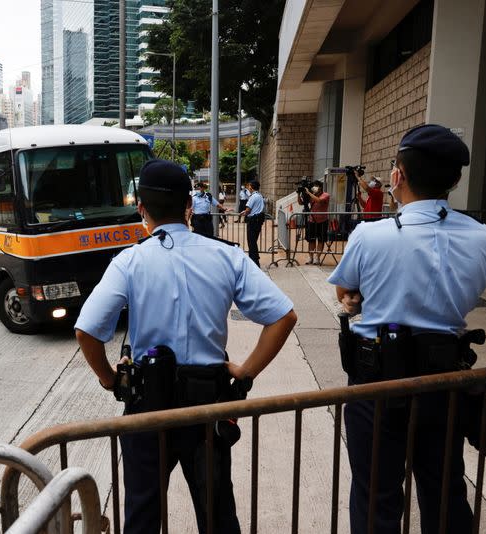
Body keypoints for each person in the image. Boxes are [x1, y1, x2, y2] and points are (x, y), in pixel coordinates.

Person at [75, 159, 297, 534]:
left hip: (149, 406)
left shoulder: (130, 260)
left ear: (141, 209)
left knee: (142, 517)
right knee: (218, 515)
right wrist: (245, 373)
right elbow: (283, 317)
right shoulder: (227, 256)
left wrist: (111, 380)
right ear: (189, 207)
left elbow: (87, 331)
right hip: (208, 405)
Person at [328, 124, 486, 534]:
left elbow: (346, 292)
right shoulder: (485, 239)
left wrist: (360, 298)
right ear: (456, 180)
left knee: (376, 498)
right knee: (444, 491)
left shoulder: (369, 236)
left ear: (397, 176)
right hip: (444, 380)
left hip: (377, 383)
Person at [298, 180, 330, 265]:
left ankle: (317, 258)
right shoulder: (312, 195)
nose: (314, 188)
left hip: (322, 221)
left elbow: (319, 200)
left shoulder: (326, 195)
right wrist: (298, 194)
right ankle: (311, 257)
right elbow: (301, 203)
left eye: (316, 186)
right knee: (311, 240)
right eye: (313, 186)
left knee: (320, 240)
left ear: (320, 187)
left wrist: (308, 192)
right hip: (311, 221)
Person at [238, 181, 265, 267]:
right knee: (253, 241)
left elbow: (248, 209)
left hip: (253, 221)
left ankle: (254, 262)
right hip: (258, 220)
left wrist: (243, 213)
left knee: (251, 242)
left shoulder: (253, 197)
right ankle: (255, 260)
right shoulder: (260, 196)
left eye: (249, 186)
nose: (248, 187)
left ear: (251, 187)